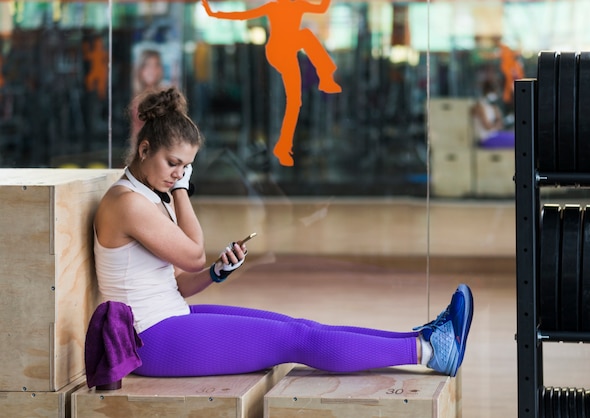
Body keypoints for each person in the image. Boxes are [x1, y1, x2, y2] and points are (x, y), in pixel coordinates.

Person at [93, 87, 474, 379]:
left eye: (187, 166)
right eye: (174, 164)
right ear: (144, 150)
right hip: (150, 340)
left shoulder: (148, 197)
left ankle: (422, 339)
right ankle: (429, 352)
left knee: (300, 327)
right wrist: (181, 191)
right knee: (297, 341)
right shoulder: (128, 203)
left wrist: (213, 273)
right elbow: (192, 253)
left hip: (169, 318)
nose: (179, 173)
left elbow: (178, 280)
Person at [201, 0, 342, 167]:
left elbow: (322, 8)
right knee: (305, 36)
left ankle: (283, 148)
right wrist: (214, 14)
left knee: (295, 102)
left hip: (289, 50)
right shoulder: (275, 7)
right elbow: (242, 15)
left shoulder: (299, 5)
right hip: (277, 50)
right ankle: (325, 77)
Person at [472, 79, 515, 148]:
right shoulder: (479, 106)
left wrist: (495, 108)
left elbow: (500, 123)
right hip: (486, 138)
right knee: (517, 140)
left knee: (518, 136)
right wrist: (496, 125)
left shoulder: (492, 106)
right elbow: (487, 126)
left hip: (496, 135)